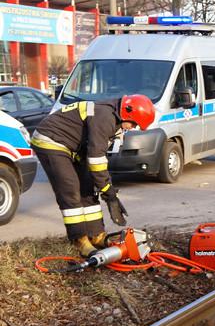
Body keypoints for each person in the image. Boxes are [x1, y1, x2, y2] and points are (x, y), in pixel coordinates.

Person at [30, 95, 156, 257]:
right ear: (127, 113)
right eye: (133, 123)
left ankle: (96, 235)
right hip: (51, 140)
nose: (133, 128)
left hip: (73, 146)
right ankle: (79, 240)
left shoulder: (116, 117)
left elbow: (97, 158)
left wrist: (107, 190)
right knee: (70, 190)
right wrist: (109, 192)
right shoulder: (105, 118)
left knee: (87, 189)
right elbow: (96, 160)